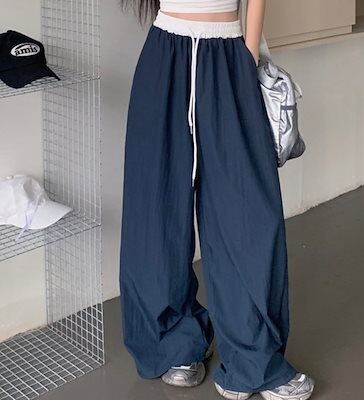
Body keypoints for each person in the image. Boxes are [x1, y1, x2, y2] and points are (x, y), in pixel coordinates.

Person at [119, 1, 315, 399]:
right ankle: (176, 342)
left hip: (228, 55)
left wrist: (247, 53)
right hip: (164, 54)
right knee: (155, 214)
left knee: (246, 217)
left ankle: (254, 360)